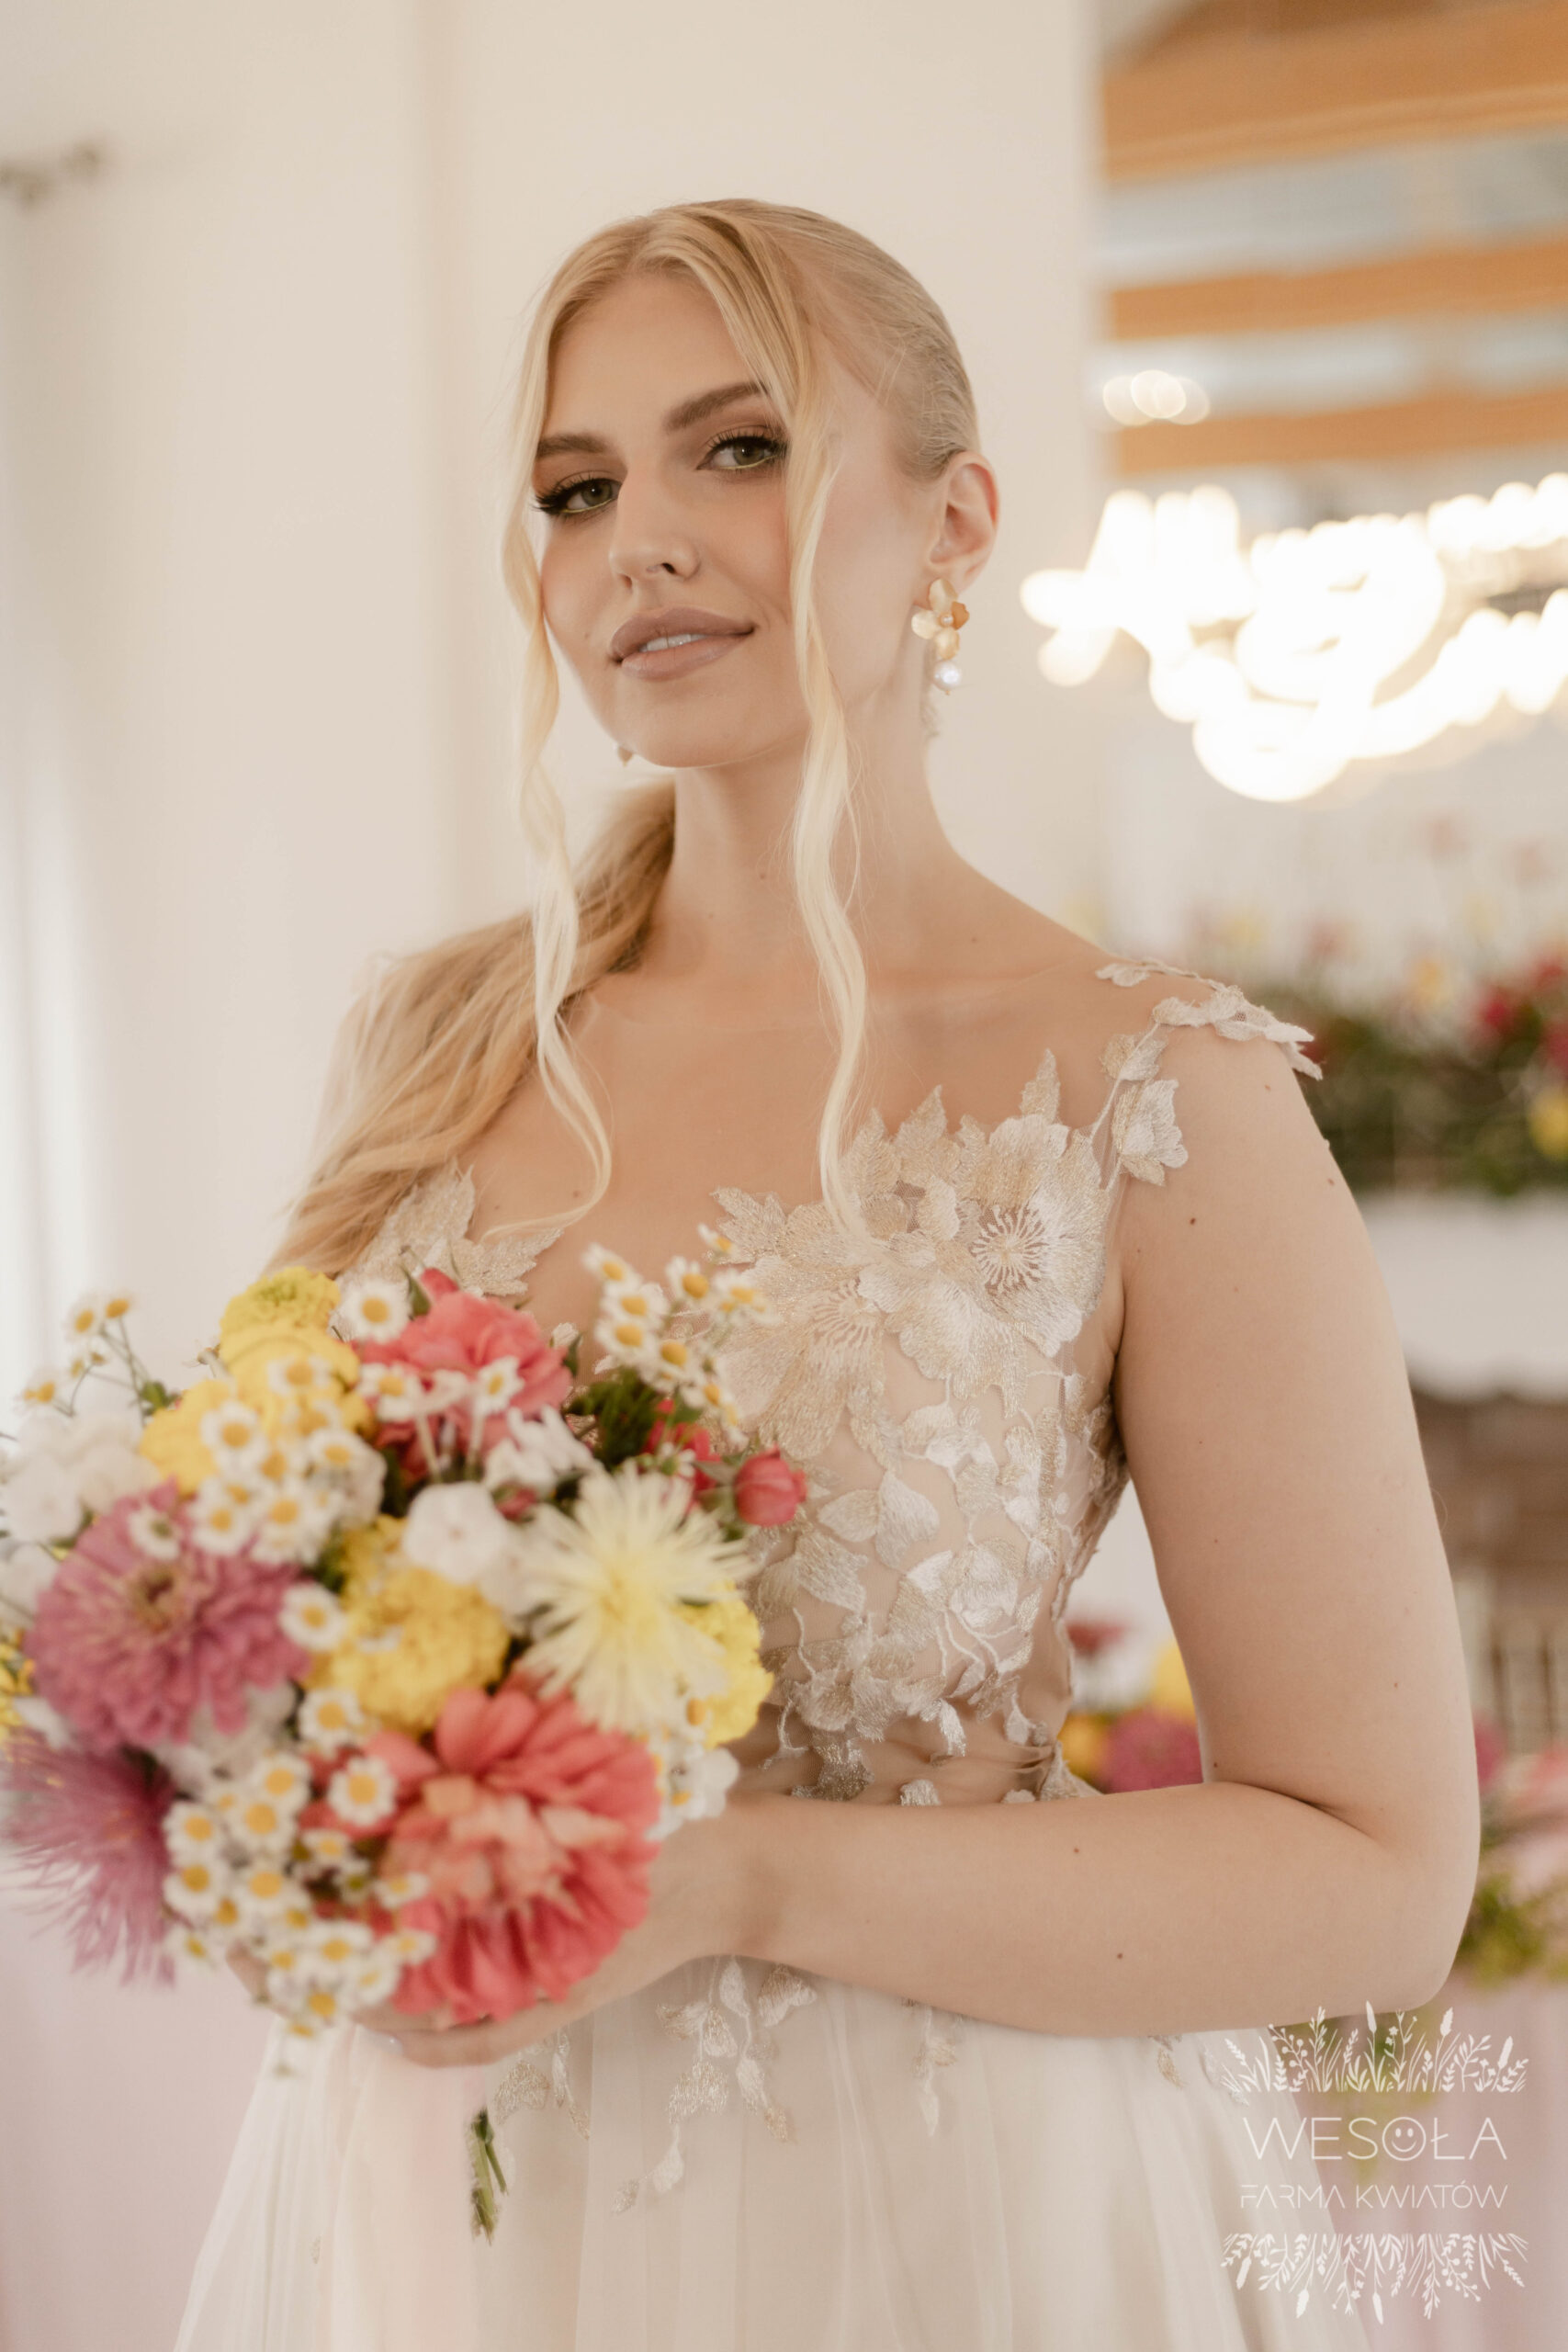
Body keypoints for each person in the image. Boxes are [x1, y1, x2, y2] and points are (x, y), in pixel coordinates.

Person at [176, 198, 1480, 2352]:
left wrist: (734, 1879)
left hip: (947, 2221)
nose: (638, 540)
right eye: (574, 488)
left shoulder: (1152, 1092)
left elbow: (1373, 1878)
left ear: (952, 520)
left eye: (740, 447)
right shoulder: (435, 1045)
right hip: (456, 2197)